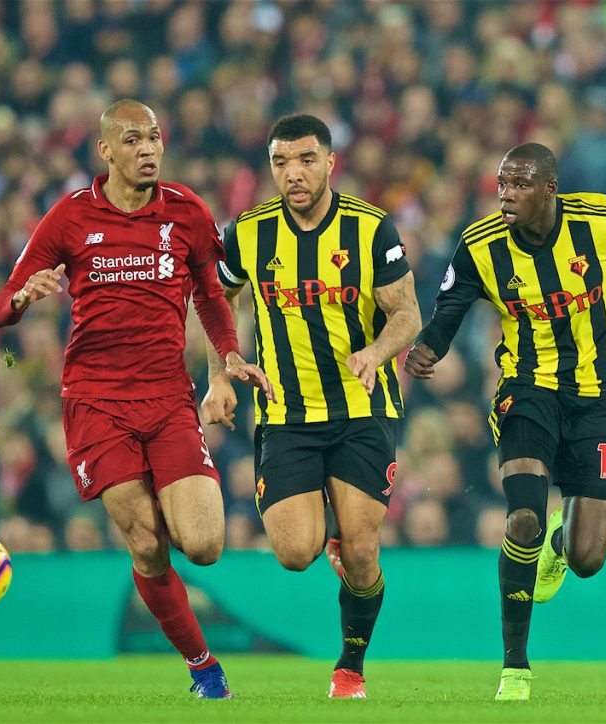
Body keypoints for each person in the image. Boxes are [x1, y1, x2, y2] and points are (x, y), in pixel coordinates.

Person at [405, 143, 606, 701]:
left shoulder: (600, 218)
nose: (506, 194)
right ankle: (515, 668)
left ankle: (559, 543)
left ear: (550, 189)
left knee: (588, 559)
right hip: (528, 388)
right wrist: (427, 349)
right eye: (502, 183)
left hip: (601, 392)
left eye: (520, 184)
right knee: (521, 514)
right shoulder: (479, 245)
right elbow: (447, 314)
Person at [0, 99, 273, 699]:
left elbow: (213, 298)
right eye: (133, 139)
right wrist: (22, 299)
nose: (147, 149)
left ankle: (170, 552)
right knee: (145, 543)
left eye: (154, 138)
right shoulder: (68, 218)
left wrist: (226, 363)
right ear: (106, 151)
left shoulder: (187, 211)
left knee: (204, 546)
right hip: (95, 402)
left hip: (170, 398)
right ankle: (204, 667)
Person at [201, 114, 422, 698]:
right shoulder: (246, 232)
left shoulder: (371, 229)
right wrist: (220, 375)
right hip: (285, 413)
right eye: (280, 162)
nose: (292, 174)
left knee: (364, 550)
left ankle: (350, 667)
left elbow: (407, 313)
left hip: (361, 408)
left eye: (304, 160)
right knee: (296, 553)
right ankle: (327, 531)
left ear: (330, 163)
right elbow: (214, 300)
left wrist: (377, 350)